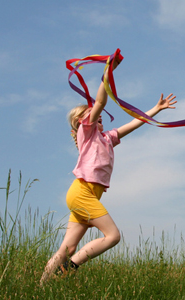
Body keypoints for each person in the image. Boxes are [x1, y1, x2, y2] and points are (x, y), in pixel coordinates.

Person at [40, 58, 177, 284]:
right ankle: (70, 267)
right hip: (82, 192)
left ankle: (41, 286)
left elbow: (133, 124)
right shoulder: (87, 134)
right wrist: (108, 72)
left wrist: (156, 109)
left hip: (85, 195)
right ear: (80, 122)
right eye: (90, 112)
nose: (97, 113)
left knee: (68, 246)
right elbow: (101, 102)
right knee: (112, 236)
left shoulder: (106, 138)